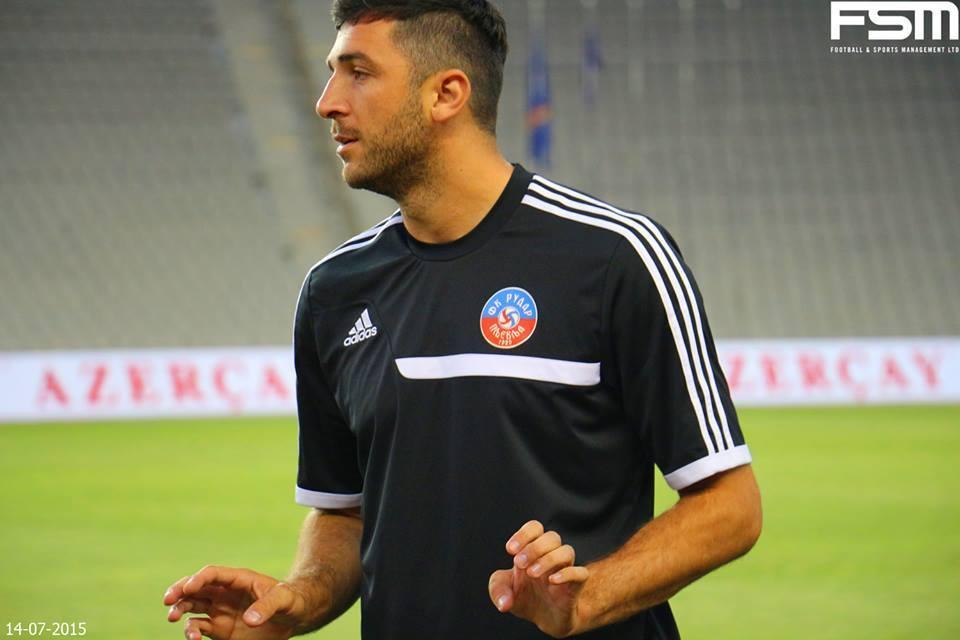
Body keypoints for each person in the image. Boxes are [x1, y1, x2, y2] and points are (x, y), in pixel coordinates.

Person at [163, 1, 762, 638]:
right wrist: (298, 600)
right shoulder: (333, 291)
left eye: (358, 72)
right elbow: (347, 513)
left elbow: (729, 506)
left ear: (446, 94)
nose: (327, 102)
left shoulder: (615, 258)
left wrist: (588, 598)